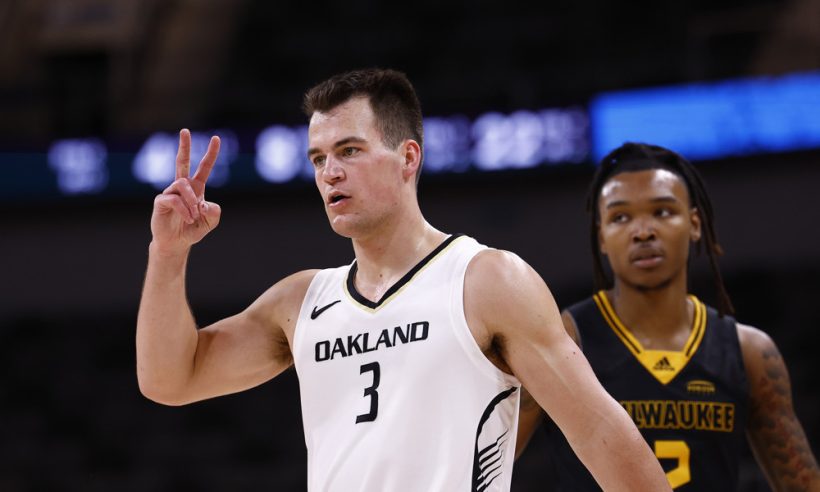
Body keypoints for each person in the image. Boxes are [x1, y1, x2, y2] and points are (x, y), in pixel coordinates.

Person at [136, 68, 670, 491]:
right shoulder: (301, 301)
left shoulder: (486, 281)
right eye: (318, 158)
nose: (329, 172)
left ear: (407, 157)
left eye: (349, 151)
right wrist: (169, 254)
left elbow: (598, 430)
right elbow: (170, 380)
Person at [516, 142, 820, 491]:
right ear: (602, 237)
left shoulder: (749, 352)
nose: (643, 231)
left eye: (662, 212)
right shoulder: (565, 338)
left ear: (694, 224)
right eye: (620, 217)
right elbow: (489, 457)